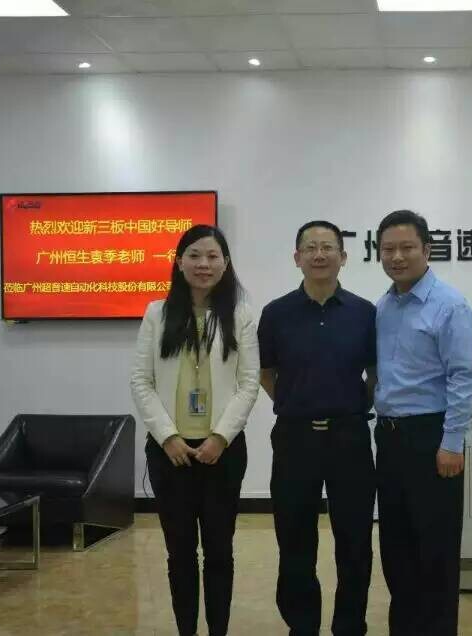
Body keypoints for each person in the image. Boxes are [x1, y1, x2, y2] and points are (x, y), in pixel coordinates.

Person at [130, 224, 260, 636]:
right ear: (179, 262)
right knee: (180, 553)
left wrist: (220, 437)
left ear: (226, 263)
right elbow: (141, 381)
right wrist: (168, 437)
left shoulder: (240, 315)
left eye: (213, 256)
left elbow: (249, 383)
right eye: (195, 255)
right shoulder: (157, 313)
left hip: (222, 452)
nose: (204, 264)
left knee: (220, 552)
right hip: (170, 454)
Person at [258, 220, 377, 636]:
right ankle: (302, 624)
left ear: (343, 257)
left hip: (350, 436)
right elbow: (266, 373)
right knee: (294, 538)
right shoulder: (276, 313)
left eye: (328, 247)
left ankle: (350, 625)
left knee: (355, 539)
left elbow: (375, 373)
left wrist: (356, 406)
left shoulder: (365, 313)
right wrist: (295, 403)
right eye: (310, 247)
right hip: (295, 438)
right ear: (297, 258)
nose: (319, 254)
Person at [373, 209, 472, 636]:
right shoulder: (383, 306)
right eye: (388, 249)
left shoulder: (450, 306)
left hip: (432, 438)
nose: (397, 257)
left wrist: (452, 442)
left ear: (427, 250)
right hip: (390, 438)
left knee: (435, 552)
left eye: (407, 247)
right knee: (396, 549)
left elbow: (463, 378)